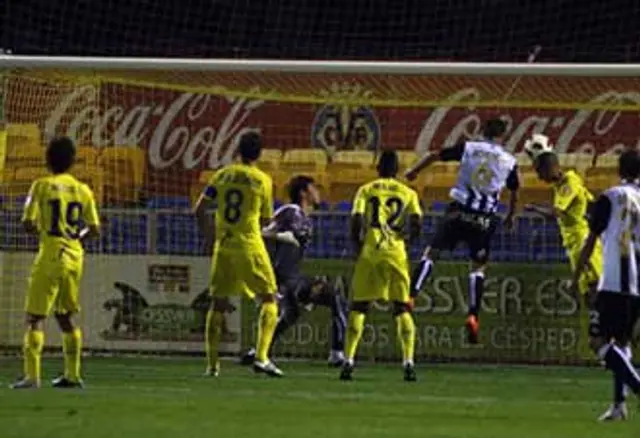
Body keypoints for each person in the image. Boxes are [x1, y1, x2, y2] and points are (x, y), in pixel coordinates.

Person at [405, 119, 519, 344]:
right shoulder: (509, 161)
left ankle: (412, 295)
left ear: (483, 131)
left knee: (432, 253)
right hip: (484, 219)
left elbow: (436, 155)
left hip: (458, 211)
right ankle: (473, 314)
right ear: (502, 136)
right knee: (478, 268)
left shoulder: (469, 148)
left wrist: (414, 171)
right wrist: (511, 215)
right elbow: (516, 189)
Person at [11, 136, 101, 389]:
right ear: (73, 161)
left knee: (34, 317)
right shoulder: (84, 190)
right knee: (66, 316)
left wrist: (44, 232)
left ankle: (32, 377)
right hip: (74, 257)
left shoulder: (40, 185)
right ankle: (73, 375)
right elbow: (94, 229)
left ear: (47, 160)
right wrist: (76, 238)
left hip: (50, 254)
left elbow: (26, 223)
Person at [194, 131, 282, 378]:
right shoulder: (262, 180)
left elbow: (199, 209)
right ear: (259, 154)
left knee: (218, 303)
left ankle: (212, 366)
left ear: (238, 150)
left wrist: (209, 236)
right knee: (270, 298)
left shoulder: (222, 175)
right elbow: (266, 219)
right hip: (249, 244)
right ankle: (262, 357)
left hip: (223, 246)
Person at [240, 176, 347, 367]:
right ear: (303, 193)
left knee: (293, 314)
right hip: (282, 276)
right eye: (314, 188)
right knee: (332, 296)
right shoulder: (290, 211)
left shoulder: (305, 219)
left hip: (292, 277)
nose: (318, 192)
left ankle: (258, 351)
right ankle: (337, 353)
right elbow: (262, 232)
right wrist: (282, 237)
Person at [340, 150, 422, 381]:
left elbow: (356, 220)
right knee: (401, 308)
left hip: (371, 250)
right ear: (396, 170)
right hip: (395, 253)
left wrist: (357, 248)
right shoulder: (408, 192)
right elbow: (417, 224)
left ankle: (348, 360)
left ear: (378, 168)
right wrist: (405, 240)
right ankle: (408, 362)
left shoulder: (366, 190)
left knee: (359, 307)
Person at [572, 147, 640, 422]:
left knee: (597, 341)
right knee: (621, 343)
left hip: (613, 278)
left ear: (619, 170)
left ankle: (636, 387)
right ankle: (618, 406)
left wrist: (576, 276)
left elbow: (591, 239)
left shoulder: (610, 196)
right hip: (636, 281)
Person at [523, 135, 602, 305]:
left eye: (539, 172)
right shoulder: (561, 187)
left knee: (594, 288)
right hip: (575, 243)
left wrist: (534, 208)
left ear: (549, 168)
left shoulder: (569, 183)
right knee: (587, 294)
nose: (539, 177)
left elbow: (556, 212)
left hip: (582, 241)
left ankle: (605, 328)